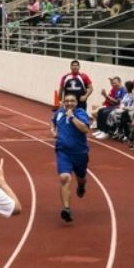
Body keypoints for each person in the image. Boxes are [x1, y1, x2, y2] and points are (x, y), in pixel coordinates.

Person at [51, 94, 92, 223]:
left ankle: (81, 186)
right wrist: (53, 131)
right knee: (64, 177)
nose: (69, 103)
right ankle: (66, 209)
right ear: (63, 102)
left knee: (81, 178)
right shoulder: (59, 112)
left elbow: (85, 129)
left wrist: (72, 117)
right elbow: (53, 123)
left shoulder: (80, 113)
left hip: (80, 153)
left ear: (76, 102)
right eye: (67, 101)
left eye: (72, 101)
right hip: (63, 151)